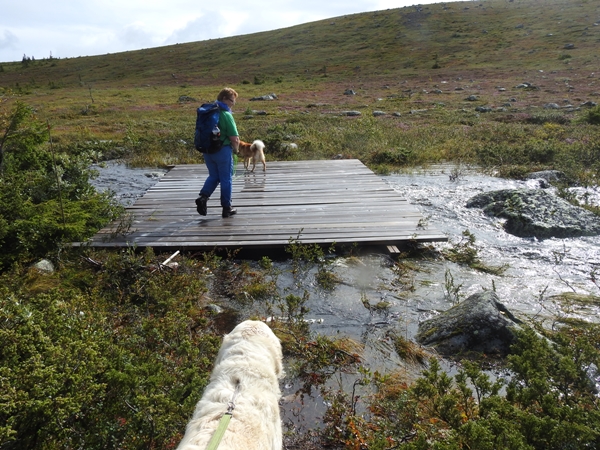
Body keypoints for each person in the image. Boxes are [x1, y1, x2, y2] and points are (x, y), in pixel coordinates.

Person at [195, 87, 240, 218]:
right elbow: (234, 138)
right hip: (223, 151)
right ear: (225, 99)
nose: (233, 104)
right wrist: (236, 150)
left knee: (214, 176)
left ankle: (203, 197)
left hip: (208, 150)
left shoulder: (209, 112)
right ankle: (227, 208)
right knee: (226, 179)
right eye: (232, 101)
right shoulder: (226, 114)